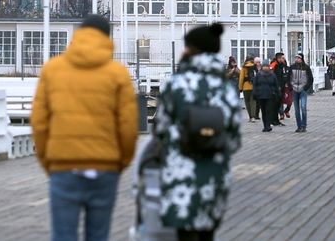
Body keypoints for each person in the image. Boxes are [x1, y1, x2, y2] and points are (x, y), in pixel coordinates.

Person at [31, 16, 137, 241]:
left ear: (78, 34)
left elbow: (39, 123)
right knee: (98, 235)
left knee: (63, 234)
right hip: (105, 166)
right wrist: (120, 162)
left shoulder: (52, 70)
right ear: (107, 37)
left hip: (63, 166)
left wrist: (48, 161)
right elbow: (128, 127)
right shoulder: (118, 74)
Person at [153, 23, 242, 241]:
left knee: (183, 232)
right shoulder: (226, 88)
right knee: (206, 232)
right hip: (214, 171)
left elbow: (160, 129)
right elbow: (234, 138)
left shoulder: (175, 84)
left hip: (179, 171)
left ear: (191, 49)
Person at [251, 58, 280, 132]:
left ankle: (268, 125)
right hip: (261, 96)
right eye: (264, 66)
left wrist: (278, 94)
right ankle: (265, 126)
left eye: (267, 66)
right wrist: (254, 94)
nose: (265, 67)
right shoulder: (258, 75)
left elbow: (276, 85)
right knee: (263, 111)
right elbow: (255, 85)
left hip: (270, 96)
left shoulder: (272, 75)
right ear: (262, 67)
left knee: (268, 111)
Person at [289, 53, 315, 133]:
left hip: (303, 89)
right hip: (294, 89)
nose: (297, 59)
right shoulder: (292, 67)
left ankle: (304, 125)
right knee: (297, 110)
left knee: (303, 107)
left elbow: (310, 78)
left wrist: (305, 88)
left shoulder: (306, 67)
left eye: (298, 58)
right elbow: (288, 77)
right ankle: (299, 126)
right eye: (296, 58)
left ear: (302, 59)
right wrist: (291, 87)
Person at [239, 56, 260, 122]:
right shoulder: (254, 66)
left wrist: (240, 88)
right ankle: (254, 116)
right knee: (253, 102)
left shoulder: (244, 67)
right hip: (253, 86)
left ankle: (250, 117)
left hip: (245, 87)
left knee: (247, 102)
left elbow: (241, 78)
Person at [272, 53, 291, 122]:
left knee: (288, 100)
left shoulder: (284, 65)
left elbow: (286, 74)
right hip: (276, 86)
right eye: (282, 58)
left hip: (284, 85)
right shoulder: (274, 65)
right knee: (279, 101)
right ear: (278, 58)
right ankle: (281, 114)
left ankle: (284, 112)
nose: (284, 59)